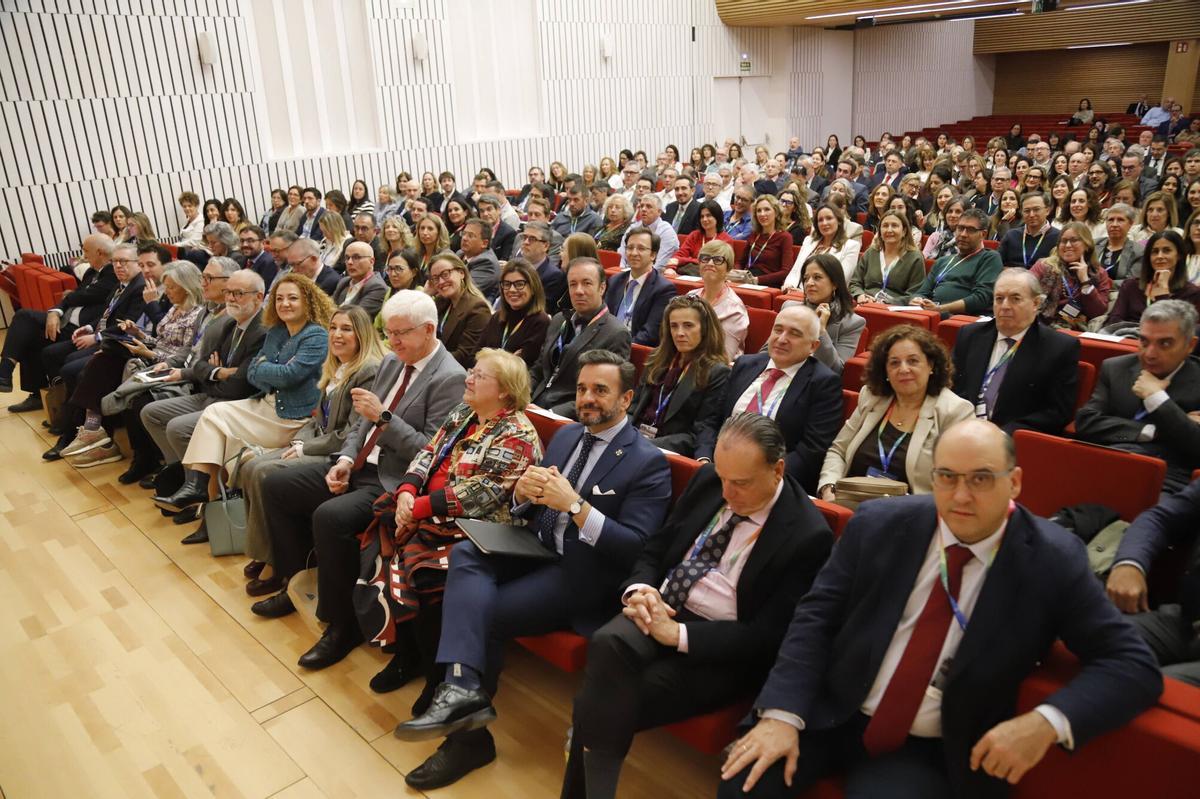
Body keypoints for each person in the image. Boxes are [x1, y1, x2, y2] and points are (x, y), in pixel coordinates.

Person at [718, 419, 1162, 799]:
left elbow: (1132, 665)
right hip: (833, 708)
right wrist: (781, 714)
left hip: (931, 743)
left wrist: (1045, 722)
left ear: (1017, 482)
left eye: (981, 478)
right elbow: (814, 619)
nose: (961, 496)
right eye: (947, 477)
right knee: (742, 781)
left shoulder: (1051, 558)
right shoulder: (880, 525)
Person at [392, 350, 672, 790]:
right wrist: (524, 493)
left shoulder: (646, 461)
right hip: (534, 546)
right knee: (466, 554)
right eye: (581, 389)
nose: (587, 399)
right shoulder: (565, 436)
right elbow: (527, 507)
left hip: (581, 573)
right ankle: (462, 685)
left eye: (601, 390)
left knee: (488, 613)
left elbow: (633, 549)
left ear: (627, 398)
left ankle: (467, 739)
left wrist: (577, 507)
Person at [562, 414, 835, 799]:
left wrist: (679, 634)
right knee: (608, 644)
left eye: (740, 483)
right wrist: (641, 590)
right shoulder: (710, 481)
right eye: (723, 478)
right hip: (663, 606)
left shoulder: (807, 535)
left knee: (597, 702)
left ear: (777, 469)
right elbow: (656, 548)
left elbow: (769, 636)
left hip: (718, 648)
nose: (727, 492)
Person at [249, 290, 467, 666]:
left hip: (393, 480)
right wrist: (346, 459)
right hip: (360, 465)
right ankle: (296, 581)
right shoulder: (392, 362)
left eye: (402, 333)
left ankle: (341, 624)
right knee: (276, 486)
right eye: (389, 332)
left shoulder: (450, 377)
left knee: (330, 517)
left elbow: (430, 452)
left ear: (430, 329)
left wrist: (385, 417)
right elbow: (360, 421)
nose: (393, 341)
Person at [357, 349, 542, 694]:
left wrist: (418, 507)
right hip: (428, 510)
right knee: (387, 538)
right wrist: (407, 491)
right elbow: (428, 451)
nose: (468, 378)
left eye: (479, 376)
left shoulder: (517, 433)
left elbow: (483, 494)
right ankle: (406, 653)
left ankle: (436, 677)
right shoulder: (463, 412)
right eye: (471, 371)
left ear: (504, 390)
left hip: (479, 528)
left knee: (423, 572)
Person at [159, 274, 335, 540]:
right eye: (280, 298)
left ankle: (204, 501)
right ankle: (202, 496)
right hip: (265, 404)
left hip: (292, 417)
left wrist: (267, 369)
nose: (285, 303)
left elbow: (289, 375)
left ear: (308, 301)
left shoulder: (317, 336)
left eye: (292, 298)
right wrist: (269, 370)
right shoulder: (276, 331)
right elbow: (252, 372)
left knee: (220, 430)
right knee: (214, 417)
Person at [239, 306, 384, 596]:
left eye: (346, 329)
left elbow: (350, 434)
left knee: (266, 471)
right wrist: (298, 442)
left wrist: (305, 447)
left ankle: (276, 563)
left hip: (336, 452)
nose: (337, 335)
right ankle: (266, 551)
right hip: (318, 442)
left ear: (363, 334)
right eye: (333, 328)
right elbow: (317, 418)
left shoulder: (367, 370)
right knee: (250, 465)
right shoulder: (334, 367)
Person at [58, 261, 207, 469]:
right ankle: (93, 429)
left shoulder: (197, 314)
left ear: (187, 286)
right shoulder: (175, 309)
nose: (168, 292)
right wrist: (137, 333)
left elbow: (182, 355)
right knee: (103, 358)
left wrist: (149, 353)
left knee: (108, 360)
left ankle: (94, 428)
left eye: (172, 287)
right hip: (151, 358)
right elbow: (161, 340)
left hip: (164, 366)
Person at [694, 304, 843, 492]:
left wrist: (758, 478)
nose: (781, 339)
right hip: (715, 468)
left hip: (768, 484)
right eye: (778, 330)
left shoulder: (823, 383)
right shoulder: (745, 364)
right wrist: (704, 459)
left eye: (794, 334)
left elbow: (811, 451)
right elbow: (710, 420)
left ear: (813, 346)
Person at [819, 325, 973, 501]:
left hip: (911, 515)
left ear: (931, 365)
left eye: (913, 361)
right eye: (894, 362)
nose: (903, 369)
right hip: (849, 503)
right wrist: (828, 487)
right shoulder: (872, 396)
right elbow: (838, 450)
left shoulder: (955, 411)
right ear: (885, 370)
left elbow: (956, 483)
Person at [1077, 299, 1200, 494]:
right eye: (1144, 341)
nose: (1150, 354)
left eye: (1165, 343)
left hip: (1167, 482)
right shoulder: (1115, 367)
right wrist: (1154, 431)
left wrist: (1156, 398)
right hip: (1108, 464)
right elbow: (1086, 422)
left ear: (1190, 345)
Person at [952, 268, 1081, 436]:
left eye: (1015, 299)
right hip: (961, 430)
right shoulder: (970, 335)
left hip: (1012, 439)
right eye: (999, 298)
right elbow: (951, 385)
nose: (1005, 306)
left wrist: (1004, 434)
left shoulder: (1059, 348)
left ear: (1036, 303)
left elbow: (1057, 413)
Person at [0, 235, 117, 410]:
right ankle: (31, 392)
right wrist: (55, 311)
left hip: (82, 328)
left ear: (99, 252)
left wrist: (68, 299)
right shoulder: (92, 272)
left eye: (86, 251)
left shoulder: (112, 272)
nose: (83, 256)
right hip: (66, 320)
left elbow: (80, 295)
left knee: (24, 316)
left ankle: (5, 370)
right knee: (27, 332)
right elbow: (72, 297)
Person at [1106, 479, 1200, 686]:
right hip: (1186, 620)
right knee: (1084, 640)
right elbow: (1160, 519)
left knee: (1155, 687)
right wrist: (1130, 564)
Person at [628, 295, 731, 456]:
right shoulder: (657, 359)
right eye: (674, 326)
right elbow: (633, 407)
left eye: (688, 326)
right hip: (634, 440)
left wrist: (645, 444)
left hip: (665, 451)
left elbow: (698, 434)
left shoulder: (717, 372)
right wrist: (621, 432)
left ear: (704, 329)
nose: (679, 333)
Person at [530, 258, 632, 416]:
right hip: (535, 403)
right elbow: (539, 368)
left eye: (587, 283)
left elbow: (602, 393)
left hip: (570, 416)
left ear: (602, 288)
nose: (578, 291)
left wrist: (550, 414)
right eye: (573, 284)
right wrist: (522, 396)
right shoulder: (559, 320)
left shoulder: (616, 333)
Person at [779, 254, 865, 375]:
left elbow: (836, 369)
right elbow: (767, 351)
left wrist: (820, 331)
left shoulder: (852, 322)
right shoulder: (789, 308)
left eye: (817, 277)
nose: (809, 283)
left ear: (834, 283)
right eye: (806, 278)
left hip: (815, 384)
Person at [910, 208, 1003, 316]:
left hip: (964, 320)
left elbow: (981, 299)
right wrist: (917, 300)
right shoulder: (942, 261)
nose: (963, 234)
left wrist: (939, 309)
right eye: (960, 228)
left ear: (983, 234)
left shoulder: (989, 258)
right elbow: (922, 292)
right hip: (932, 314)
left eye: (970, 230)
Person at [1029, 222, 1113, 329]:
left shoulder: (1098, 273)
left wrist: (1085, 282)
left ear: (1087, 245)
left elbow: (1098, 312)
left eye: (1074, 240)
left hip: (1077, 330)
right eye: (1063, 241)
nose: (1068, 245)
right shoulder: (1044, 266)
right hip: (1041, 325)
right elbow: (1025, 294)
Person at [1107, 231, 1200, 325]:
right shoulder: (1130, 286)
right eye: (1155, 252)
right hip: (1127, 336)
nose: (1159, 256)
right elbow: (1113, 321)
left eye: (1166, 250)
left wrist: (1163, 291)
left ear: (1179, 255)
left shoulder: (1192, 293)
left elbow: (1171, 327)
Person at [605, 228, 676, 346]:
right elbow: (604, 319)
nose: (633, 253)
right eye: (630, 248)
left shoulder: (664, 289)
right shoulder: (615, 281)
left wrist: (619, 347)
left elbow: (650, 334)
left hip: (634, 350)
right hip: (607, 345)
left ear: (653, 255)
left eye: (641, 248)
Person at [477, 260, 552, 367]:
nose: (512, 290)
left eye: (519, 284)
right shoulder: (497, 317)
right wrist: (510, 358)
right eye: (507, 284)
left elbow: (521, 368)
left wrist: (488, 357)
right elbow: (474, 357)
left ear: (533, 287)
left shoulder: (540, 322)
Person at [686, 240, 749, 362]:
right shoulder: (691, 296)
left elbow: (723, 358)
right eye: (705, 258)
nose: (710, 263)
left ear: (728, 268)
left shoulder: (734, 309)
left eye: (718, 260)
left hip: (715, 371)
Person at [428, 253, 492, 368]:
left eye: (445, 274)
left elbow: (464, 356)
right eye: (435, 278)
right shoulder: (440, 302)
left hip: (455, 373)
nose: (441, 282)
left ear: (461, 273)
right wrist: (426, 294)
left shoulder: (477, 309)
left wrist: (427, 360)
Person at [850, 210, 926, 304]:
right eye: (885, 226)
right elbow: (854, 282)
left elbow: (915, 293)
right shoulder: (871, 252)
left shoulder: (915, 257)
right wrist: (860, 295)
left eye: (894, 225)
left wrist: (888, 302)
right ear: (880, 231)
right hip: (866, 305)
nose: (889, 230)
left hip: (896, 310)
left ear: (904, 231)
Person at [783, 204, 862, 288]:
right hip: (796, 291)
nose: (824, 223)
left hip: (826, 296)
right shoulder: (808, 241)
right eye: (820, 220)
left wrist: (807, 291)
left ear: (838, 221)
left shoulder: (851, 246)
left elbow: (841, 279)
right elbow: (795, 270)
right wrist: (789, 285)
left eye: (829, 218)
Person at [735, 195, 792, 287]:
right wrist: (738, 274)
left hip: (767, 285)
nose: (762, 214)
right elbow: (740, 262)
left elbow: (785, 271)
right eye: (759, 211)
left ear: (776, 212)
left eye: (767, 209)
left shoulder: (785, 237)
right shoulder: (754, 234)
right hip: (747, 280)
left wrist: (757, 280)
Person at [666, 199, 732, 275]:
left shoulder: (725, 240)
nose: (704, 219)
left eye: (708, 215)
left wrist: (688, 260)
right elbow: (678, 256)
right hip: (689, 274)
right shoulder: (694, 235)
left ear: (717, 217)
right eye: (702, 216)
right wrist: (671, 268)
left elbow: (714, 264)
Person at [997, 192, 1061, 269]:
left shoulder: (1058, 237)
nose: (1031, 215)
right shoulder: (1011, 235)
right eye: (1027, 211)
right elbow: (997, 263)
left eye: (1036, 209)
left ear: (1047, 210)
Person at [618, 194, 680, 271]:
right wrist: (621, 271)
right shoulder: (633, 227)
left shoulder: (667, 231)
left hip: (654, 276)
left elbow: (660, 264)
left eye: (649, 206)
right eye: (641, 206)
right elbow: (622, 255)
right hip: (628, 272)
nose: (643, 209)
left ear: (659, 212)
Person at [331, 241, 388, 318]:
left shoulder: (377, 287)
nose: (350, 262)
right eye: (347, 258)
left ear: (371, 261)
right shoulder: (344, 281)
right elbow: (328, 308)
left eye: (356, 257)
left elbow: (356, 319)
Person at [1095, 202, 1144, 286]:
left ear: (1130, 224)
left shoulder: (1139, 251)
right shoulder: (1093, 245)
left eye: (1120, 220)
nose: (1114, 224)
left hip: (1119, 296)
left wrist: (1104, 283)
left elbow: (1132, 283)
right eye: (1110, 220)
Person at [456, 218, 500, 302]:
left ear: (484, 243)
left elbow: (462, 291)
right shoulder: (460, 253)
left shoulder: (487, 264)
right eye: (464, 233)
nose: (464, 238)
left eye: (470, 235)